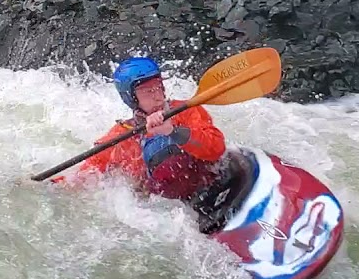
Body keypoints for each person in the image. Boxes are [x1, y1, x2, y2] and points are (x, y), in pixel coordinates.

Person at [55, 56, 249, 232]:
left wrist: (173, 131)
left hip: (214, 188)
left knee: (163, 146)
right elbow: (85, 177)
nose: (157, 95)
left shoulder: (186, 111)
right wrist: (47, 187)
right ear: (132, 98)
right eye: (147, 91)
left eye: (158, 87)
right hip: (173, 211)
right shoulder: (119, 139)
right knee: (156, 151)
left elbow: (216, 149)